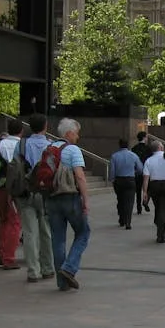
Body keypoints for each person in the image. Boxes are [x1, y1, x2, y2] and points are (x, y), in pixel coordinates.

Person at [47, 117, 91, 292]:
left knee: (58, 239)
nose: (77, 137)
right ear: (69, 133)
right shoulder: (72, 150)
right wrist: (85, 200)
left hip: (51, 198)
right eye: (76, 133)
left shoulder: (49, 148)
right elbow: (79, 176)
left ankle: (62, 282)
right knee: (83, 232)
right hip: (70, 197)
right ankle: (69, 268)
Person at [18, 113, 54, 283]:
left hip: (26, 191)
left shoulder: (22, 145)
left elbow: (15, 168)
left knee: (29, 231)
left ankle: (33, 271)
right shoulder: (51, 146)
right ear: (45, 126)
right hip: (45, 192)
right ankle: (48, 268)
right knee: (46, 230)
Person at [0, 120, 24, 269]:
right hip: (15, 189)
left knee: (3, 220)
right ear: (21, 131)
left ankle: (2, 255)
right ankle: (9, 258)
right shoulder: (22, 146)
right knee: (15, 223)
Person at [109, 137, 144, 229]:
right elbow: (140, 169)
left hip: (119, 180)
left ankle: (122, 219)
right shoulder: (134, 156)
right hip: (130, 180)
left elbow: (112, 170)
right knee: (129, 201)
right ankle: (128, 222)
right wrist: (134, 172)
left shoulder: (114, 156)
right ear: (128, 145)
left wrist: (112, 179)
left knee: (120, 200)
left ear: (119, 145)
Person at [130, 131, 150, 215]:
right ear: (144, 138)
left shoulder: (134, 148)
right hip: (146, 172)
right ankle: (145, 201)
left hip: (137, 172)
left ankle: (139, 207)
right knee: (148, 189)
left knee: (138, 190)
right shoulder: (148, 148)